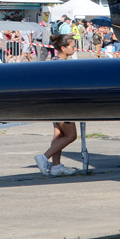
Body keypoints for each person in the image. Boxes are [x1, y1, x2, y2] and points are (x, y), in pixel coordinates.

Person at [34, 35, 82, 176]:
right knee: (71, 135)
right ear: (63, 48)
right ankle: (43, 157)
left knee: (58, 136)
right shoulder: (60, 63)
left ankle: (56, 166)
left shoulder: (56, 61)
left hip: (55, 104)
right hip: (61, 105)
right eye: (72, 46)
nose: (74, 49)